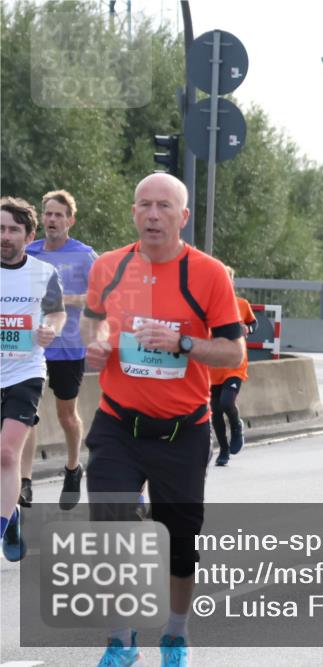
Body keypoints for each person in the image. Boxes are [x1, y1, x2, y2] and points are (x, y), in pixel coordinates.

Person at [82, 174, 244, 666]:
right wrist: (97, 343)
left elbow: (234, 349)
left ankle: (175, 633)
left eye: (164, 207)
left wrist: (183, 343)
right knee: (111, 528)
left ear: (183, 216)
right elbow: (94, 322)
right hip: (117, 424)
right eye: (145, 206)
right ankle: (120, 640)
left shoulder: (210, 274)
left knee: (178, 541)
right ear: (134, 213)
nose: (153, 215)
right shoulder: (109, 266)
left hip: (182, 429)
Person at [20, 190, 97, 511]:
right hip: (31, 345)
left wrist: (62, 300)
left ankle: (72, 467)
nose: (52, 219)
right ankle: (24, 482)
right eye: (47, 214)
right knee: (27, 416)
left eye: (58, 215)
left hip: (68, 346)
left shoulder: (84, 256)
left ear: (70, 220)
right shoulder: (29, 251)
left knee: (66, 415)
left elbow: (99, 299)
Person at [1, 196, 65, 562]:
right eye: (0, 229)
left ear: (29, 234)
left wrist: (49, 330)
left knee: (8, 452)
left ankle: (2, 522)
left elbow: (57, 313)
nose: (5, 236)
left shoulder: (44, 273)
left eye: (12, 230)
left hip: (25, 372)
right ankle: (10, 517)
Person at [209, 266, 258, 466]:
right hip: (213, 366)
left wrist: (248, 328)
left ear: (231, 283)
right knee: (215, 409)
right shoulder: (208, 306)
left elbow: (254, 324)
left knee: (227, 402)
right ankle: (224, 450)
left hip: (235, 364)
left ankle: (237, 426)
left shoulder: (241, 304)